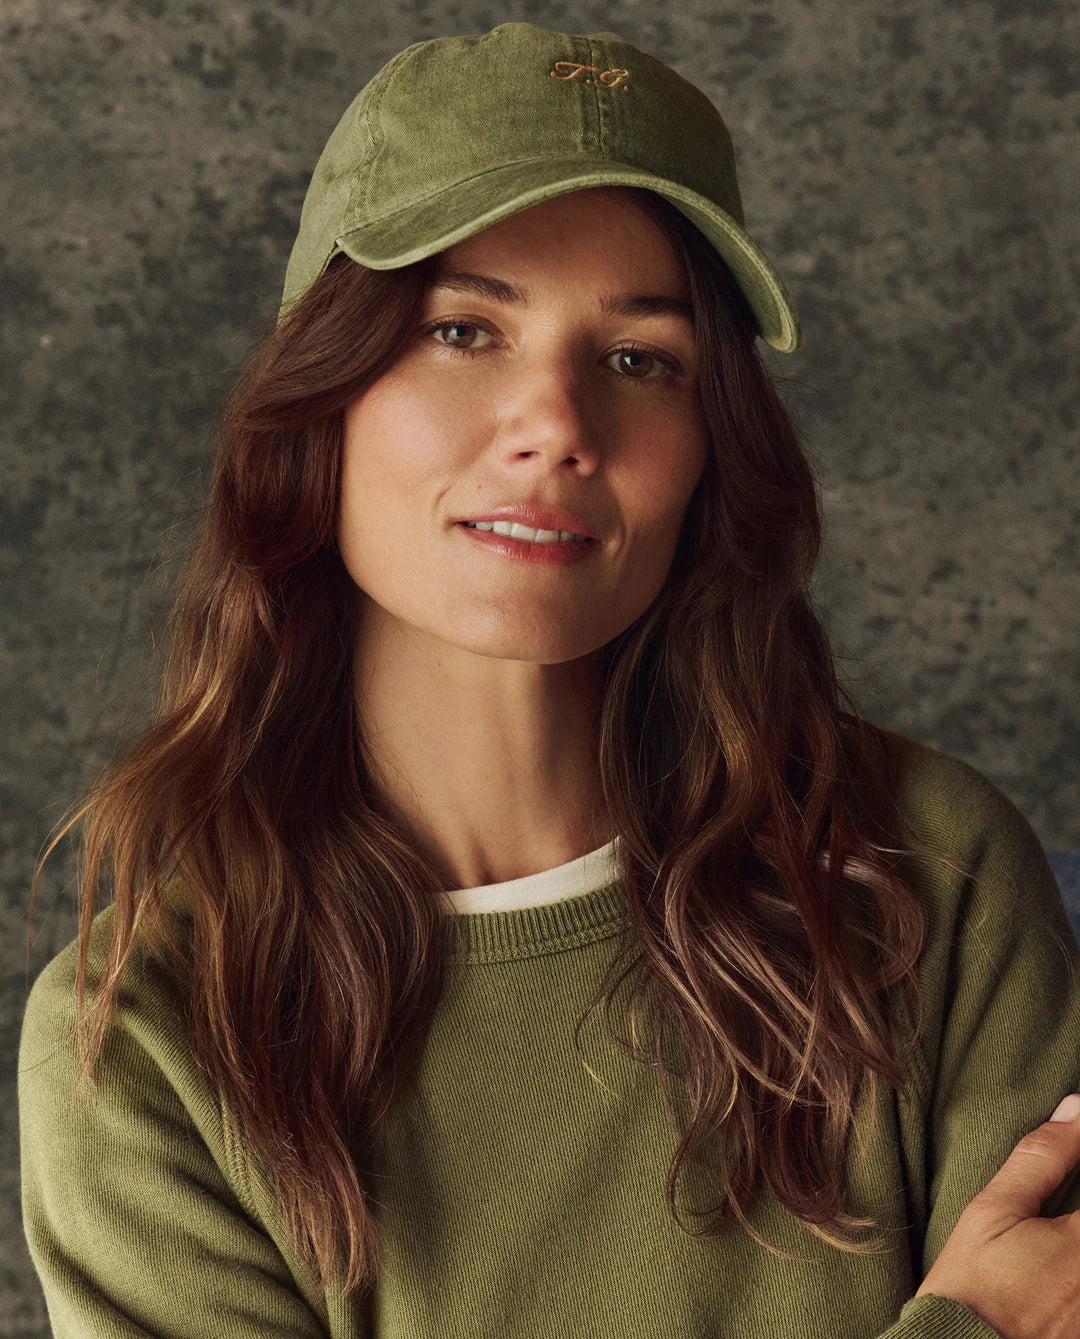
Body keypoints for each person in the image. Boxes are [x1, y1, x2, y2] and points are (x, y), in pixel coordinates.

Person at [17, 21, 1080, 1339]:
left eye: (641, 360)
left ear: (709, 448)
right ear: (321, 395)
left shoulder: (928, 872)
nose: (559, 429)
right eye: (465, 330)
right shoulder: (149, 1042)